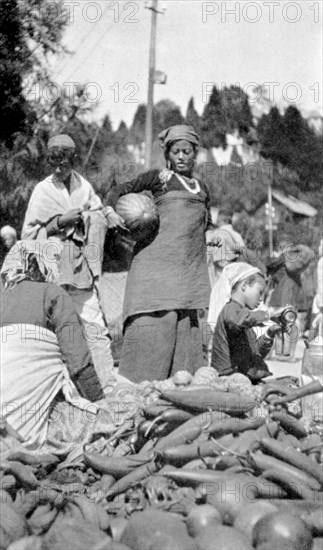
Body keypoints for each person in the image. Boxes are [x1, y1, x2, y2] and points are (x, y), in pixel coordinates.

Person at [103, 125, 215, 383]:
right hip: (154, 270)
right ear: (168, 154)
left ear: (195, 154)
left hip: (186, 273)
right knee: (156, 325)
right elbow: (117, 191)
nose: (181, 156)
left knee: (184, 329)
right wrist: (110, 212)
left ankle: (178, 395)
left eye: (187, 151)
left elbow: (204, 225)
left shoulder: (203, 189)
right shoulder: (159, 178)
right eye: (176, 151)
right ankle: (139, 394)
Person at [21, 134, 114, 391]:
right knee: (52, 331)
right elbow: (28, 234)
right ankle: (50, 390)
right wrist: (60, 222)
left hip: (80, 267)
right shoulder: (43, 190)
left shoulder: (84, 187)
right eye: (54, 163)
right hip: (52, 268)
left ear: (73, 160)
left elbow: (97, 211)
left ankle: (106, 387)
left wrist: (91, 217)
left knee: (95, 328)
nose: (59, 169)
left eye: (64, 163)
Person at [0, 240, 108, 450]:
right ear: (38, 264)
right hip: (25, 422)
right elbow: (77, 360)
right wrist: (99, 402)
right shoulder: (52, 293)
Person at [210, 262, 281, 383]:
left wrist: (269, 335)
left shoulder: (243, 315)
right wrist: (267, 315)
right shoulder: (231, 309)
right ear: (244, 286)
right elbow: (237, 321)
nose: (261, 299)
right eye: (259, 292)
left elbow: (254, 352)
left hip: (239, 375)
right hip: (226, 377)